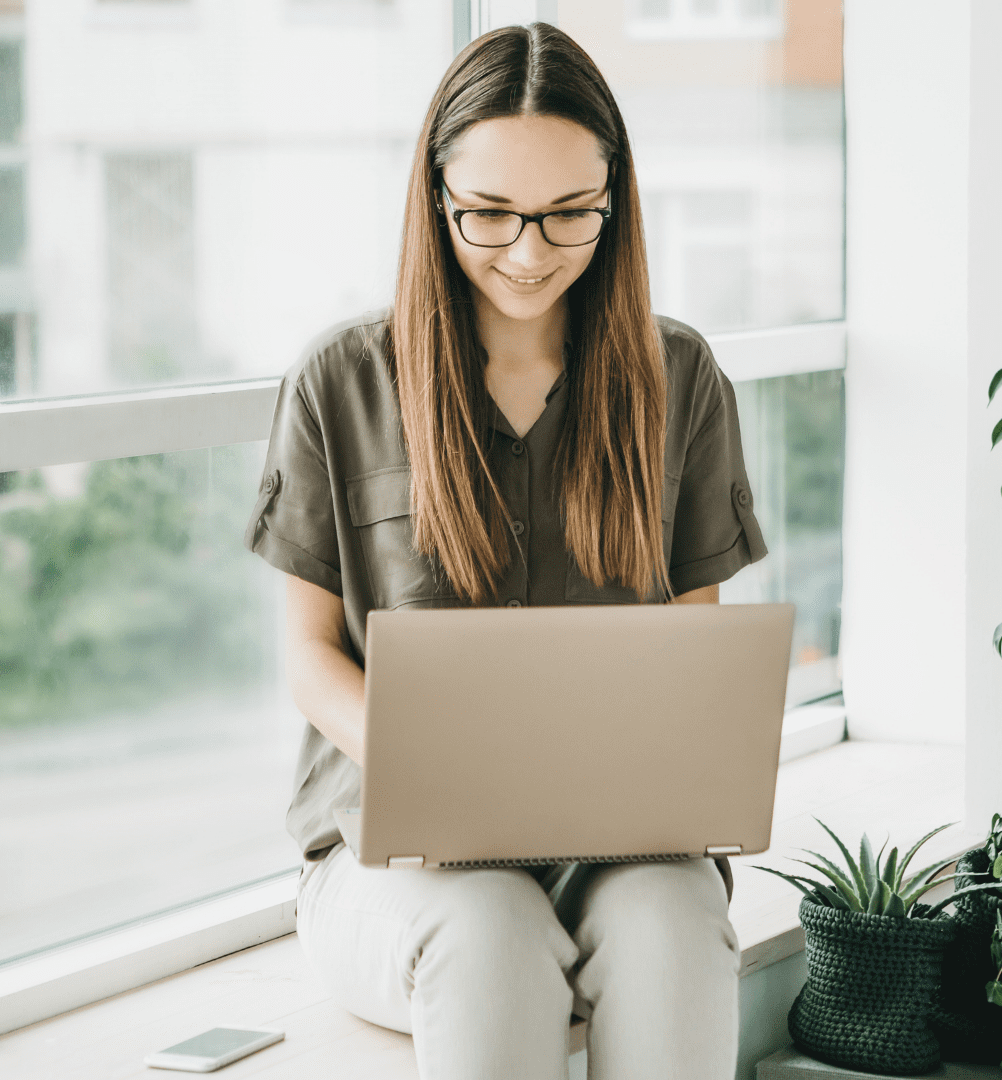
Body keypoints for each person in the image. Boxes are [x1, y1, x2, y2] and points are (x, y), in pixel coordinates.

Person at [243, 22, 767, 1080]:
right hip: (389, 858)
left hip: (616, 844)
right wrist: (434, 776)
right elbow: (307, 658)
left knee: (677, 930)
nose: (528, 253)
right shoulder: (340, 381)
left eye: (570, 214)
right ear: (434, 199)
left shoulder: (681, 378)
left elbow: (685, 656)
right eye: (488, 214)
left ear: (616, 203)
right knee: (491, 943)